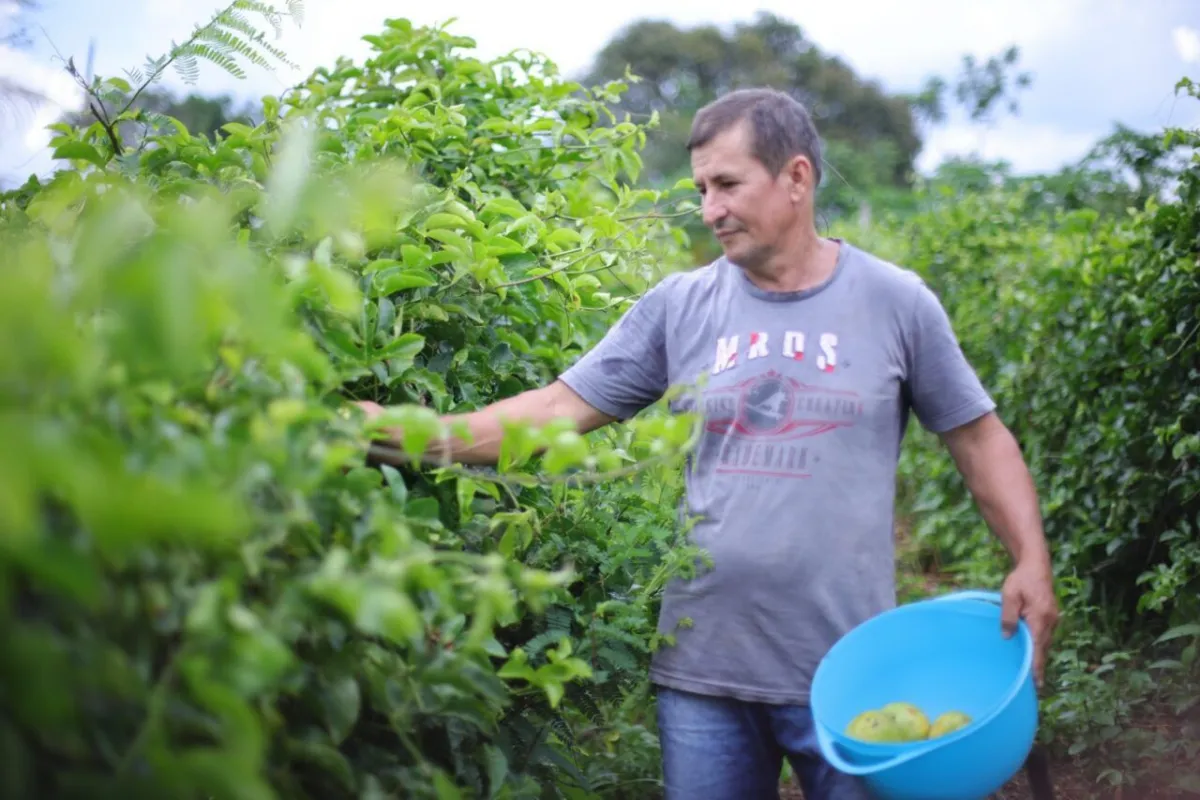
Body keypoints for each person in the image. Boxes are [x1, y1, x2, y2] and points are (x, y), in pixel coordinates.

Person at [355, 87, 1059, 800]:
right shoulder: (680, 305)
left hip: (850, 670)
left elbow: (978, 439)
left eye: (727, 184)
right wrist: (390, 433)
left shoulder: (895, 301)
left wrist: (1030, 560)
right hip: (704, 673)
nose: (709, 209)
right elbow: (555, 409)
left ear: (796, 178)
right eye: (700, 188)